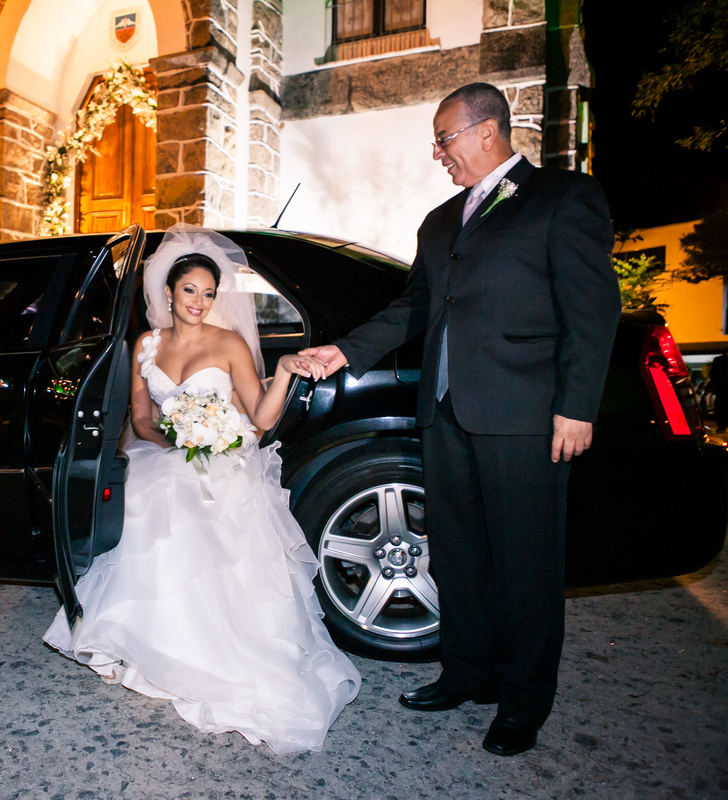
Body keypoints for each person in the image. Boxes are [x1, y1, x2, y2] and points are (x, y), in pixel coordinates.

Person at [299, 83, 621, 756]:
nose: (438, 154)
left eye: (444, 139)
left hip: (527, 414)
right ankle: (467, 673)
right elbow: (412, 310)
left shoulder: (562, 198)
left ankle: (522, 701)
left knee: (525, 564)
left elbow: (592, 309)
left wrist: (576, 407)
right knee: (458, 556)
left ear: (486, 132)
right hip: (444, 413)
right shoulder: (440, 221)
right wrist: (344, 350)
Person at [43, 226, 360, 754]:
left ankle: (213, 654)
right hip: (166, 452)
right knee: (155, 490)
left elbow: (258, 419)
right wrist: (172, 436)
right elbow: (141, 417)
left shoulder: (230, 343)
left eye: (209, 293)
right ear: (168, 292)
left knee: (186, 501)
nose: (199, 301)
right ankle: (149, 644)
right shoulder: (145, 344)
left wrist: (282, 370)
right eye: (190, 290)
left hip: (224, 459)